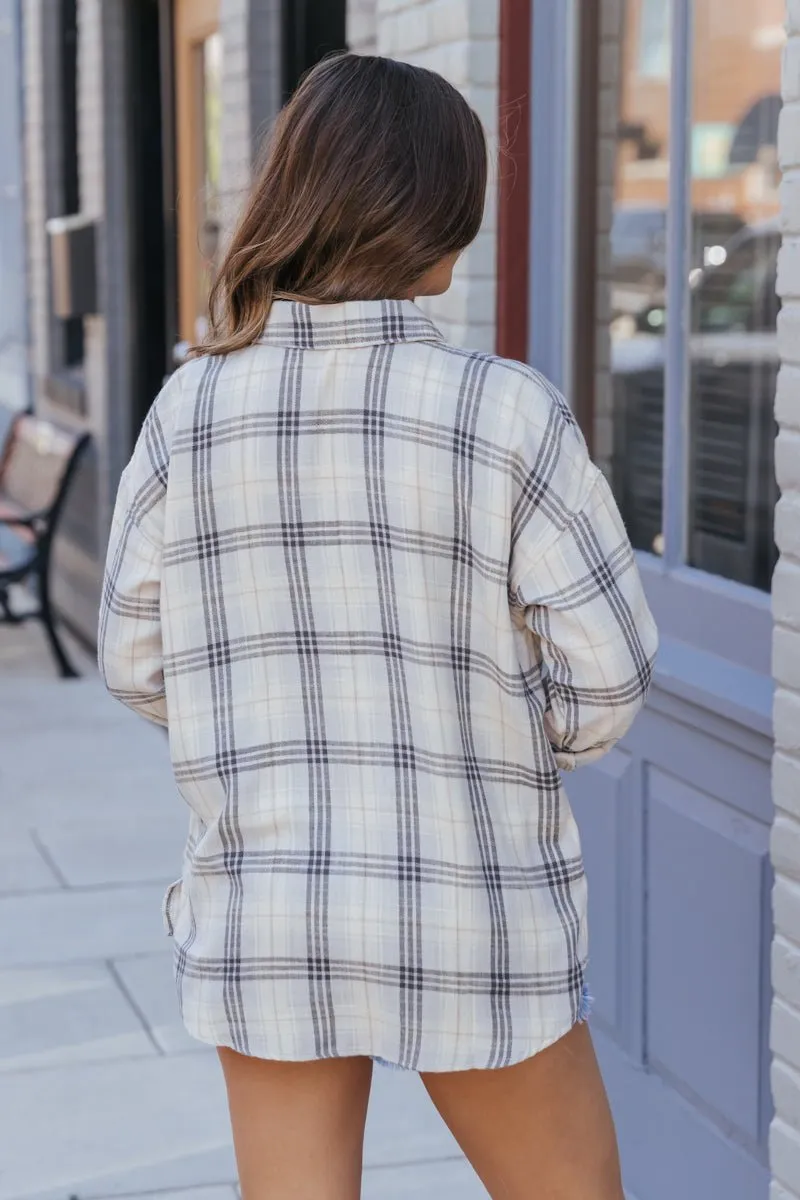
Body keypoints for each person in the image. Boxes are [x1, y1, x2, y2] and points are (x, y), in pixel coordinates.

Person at [99, 52, 658, 1200]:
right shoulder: (505, 412)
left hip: (269, 904)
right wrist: (487, 732)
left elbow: (134, 656)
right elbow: (606, 680)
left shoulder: (187, 409)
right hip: (472, 898)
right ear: (438, 221)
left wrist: (253, 716)